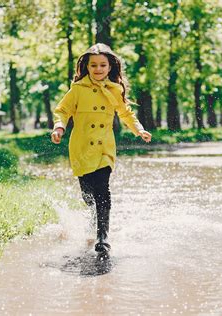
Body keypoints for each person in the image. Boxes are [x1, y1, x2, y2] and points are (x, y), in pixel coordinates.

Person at [50, 43, 152, 253]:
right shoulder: (77, 90)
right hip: (81, 148)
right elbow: (62, 110)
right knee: (88, 194)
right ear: (86, 67)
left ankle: (102, 236)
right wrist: (59, 127)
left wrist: (139, 129)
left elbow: (126, 114)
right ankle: (92, 222)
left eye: (102, 65)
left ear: (110, 67)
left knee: (103, 190)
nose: (98, 69)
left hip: (104, 147)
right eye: (93, 65)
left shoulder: (115, 89)